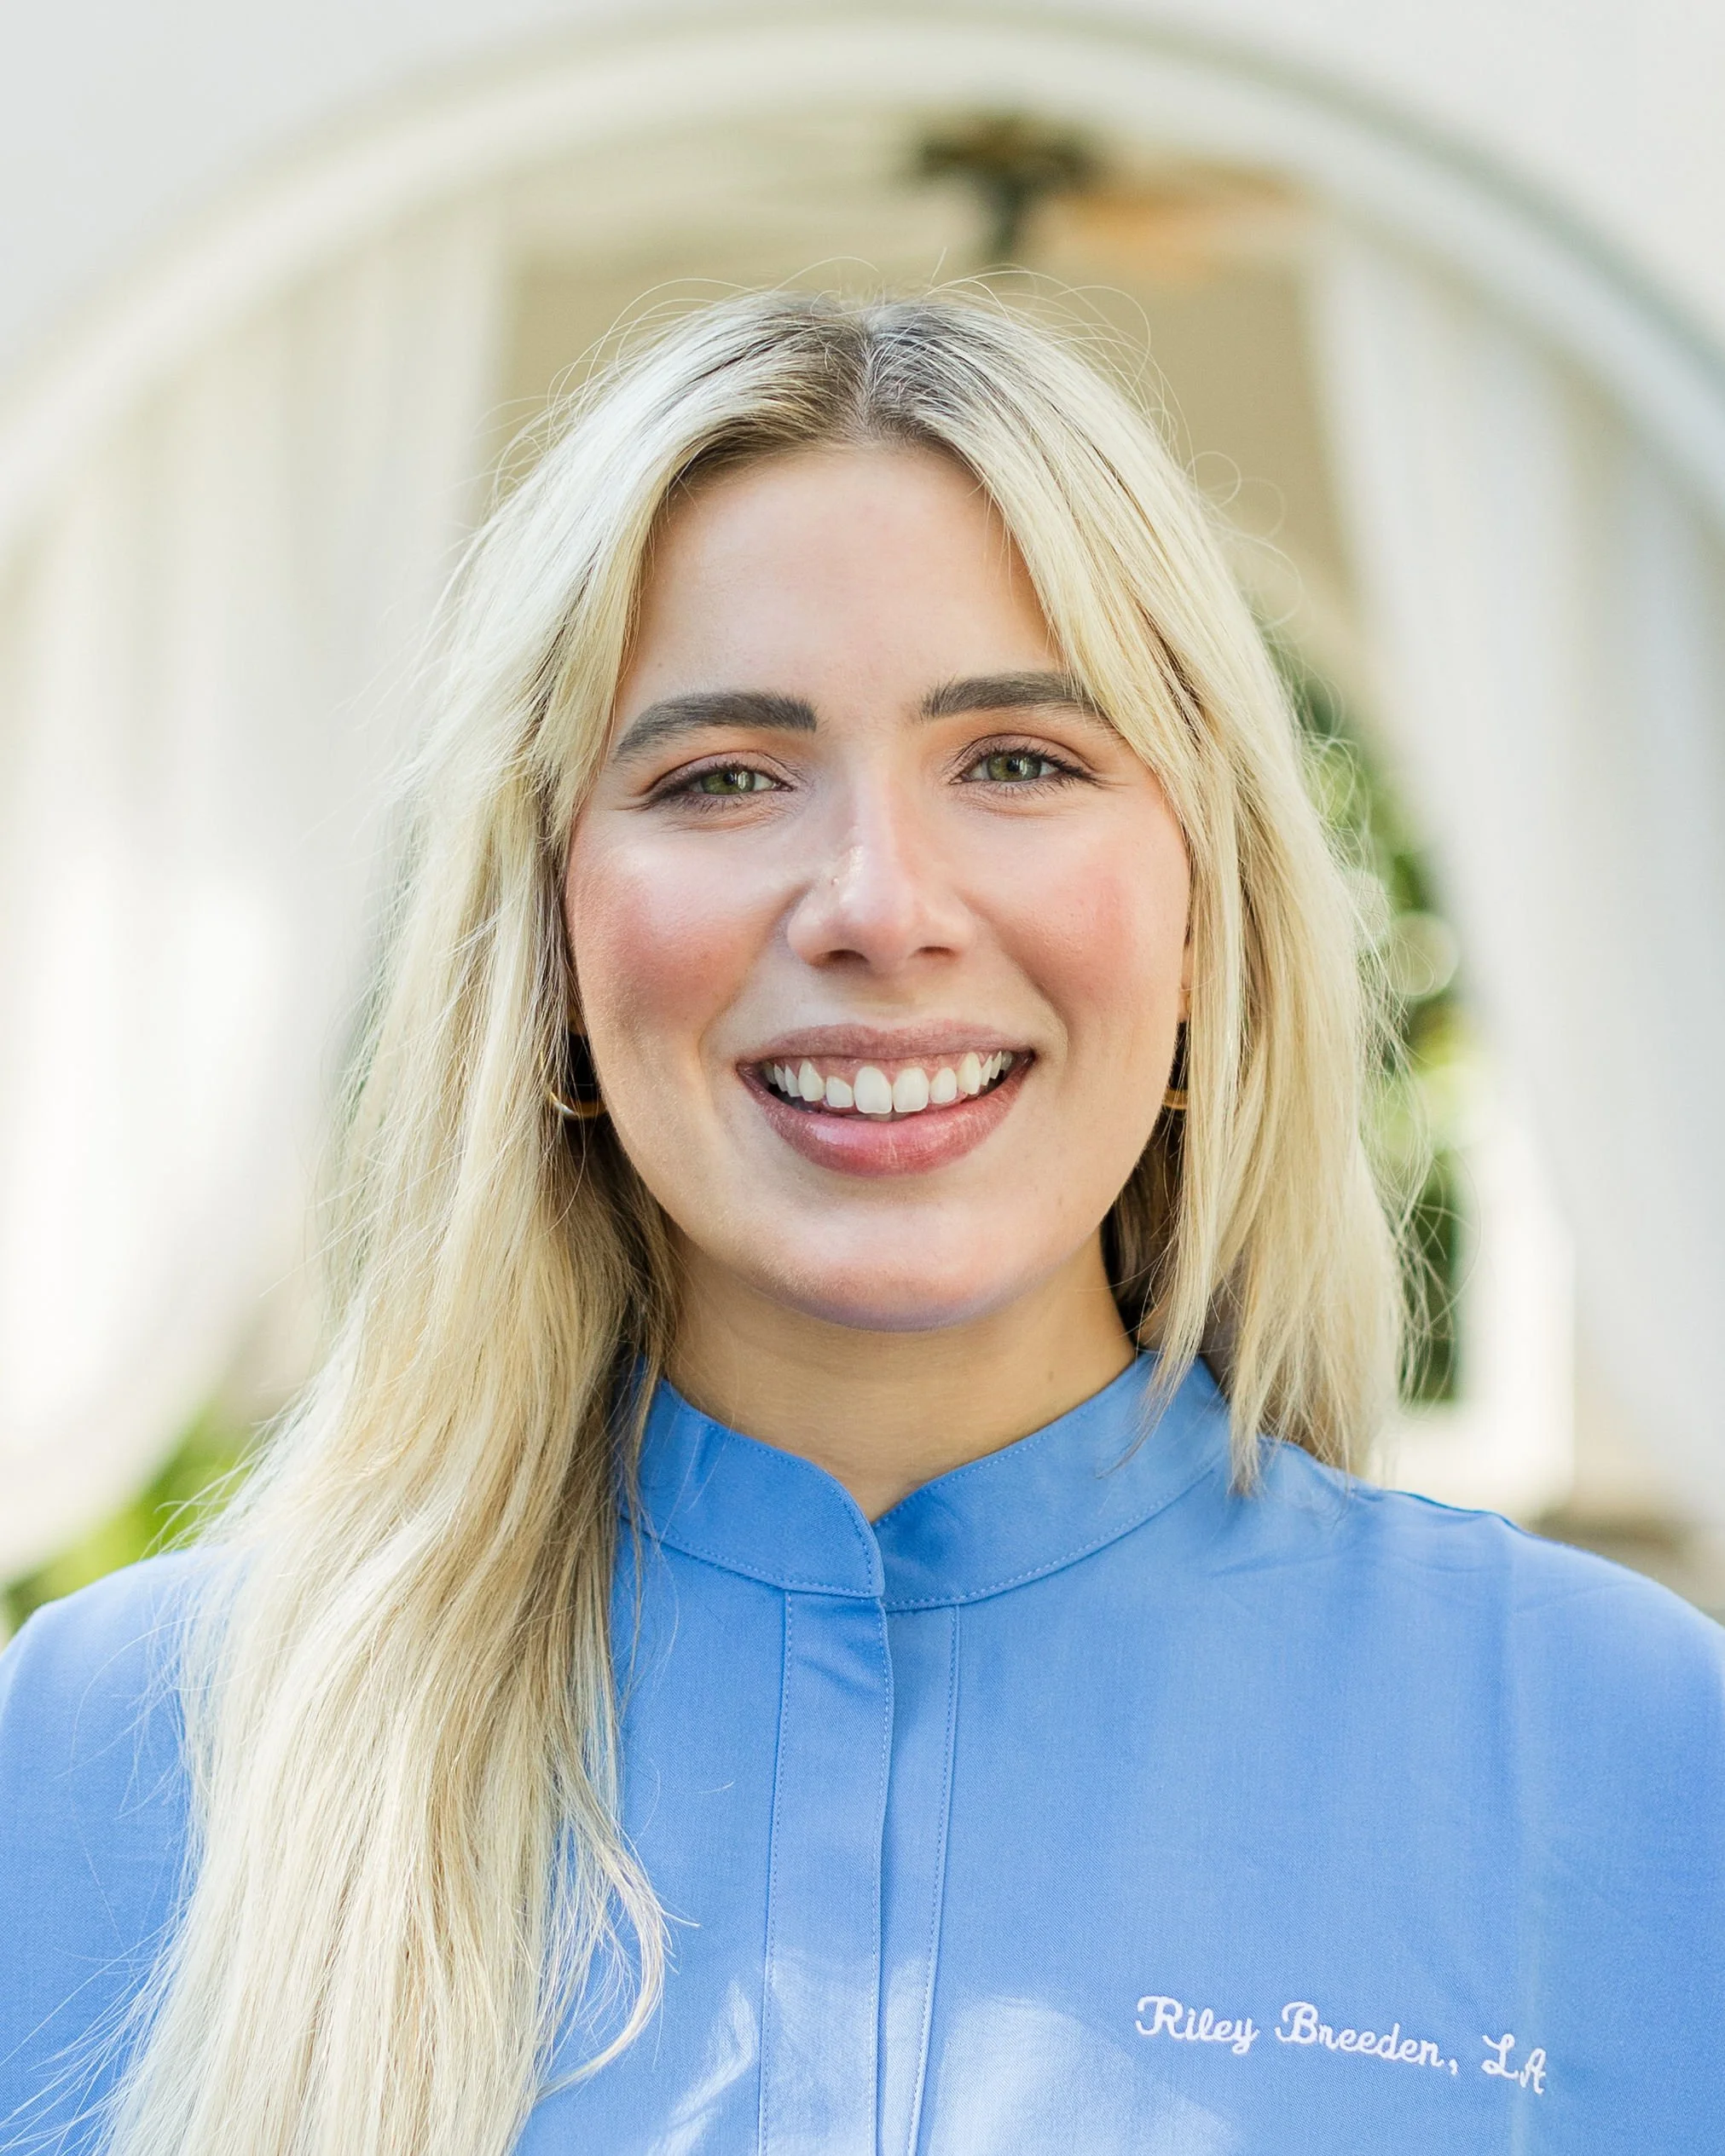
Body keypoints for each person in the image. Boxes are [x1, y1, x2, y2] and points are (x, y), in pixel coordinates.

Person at [2, 292, 1721, 2156]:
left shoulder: (1618, 1756)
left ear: (1203, 910)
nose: (881, 907)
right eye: (722, 777)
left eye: (1019, 760)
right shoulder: (103, 1759)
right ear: (549, 943)